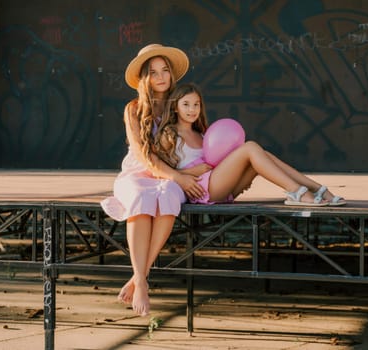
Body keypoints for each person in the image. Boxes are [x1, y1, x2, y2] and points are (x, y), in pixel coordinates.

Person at [100, 44, 206, 317]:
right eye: (153, 72)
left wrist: (188, 174)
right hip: (137, 173)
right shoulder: (133, 109)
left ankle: (139, 276)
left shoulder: (177, 104)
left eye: (165, 71)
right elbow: (144, 156)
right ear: (144, 78)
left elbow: (196, 136)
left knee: (168, 194)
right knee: (141, 195)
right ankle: (142, 282)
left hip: (169, 175)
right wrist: (179, 177)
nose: (161, 77)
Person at [156, 83, 347, 206]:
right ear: (175, 106)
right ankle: (298, 192)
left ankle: (318, 189)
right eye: (186, 104)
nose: (192, 109)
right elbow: (157, 172)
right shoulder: (169, 134)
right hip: (202, 190)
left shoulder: (202, 133)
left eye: (196, 104)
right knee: (250, 147)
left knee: (263, 155)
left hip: (220, 184)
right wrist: (190, 173)